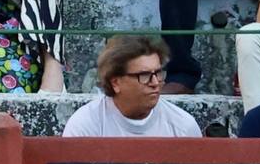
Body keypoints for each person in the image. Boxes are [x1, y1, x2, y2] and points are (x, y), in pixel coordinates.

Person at [63, 33, 204, 138]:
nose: (155, 83)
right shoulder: (85, 127)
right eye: (144, 75)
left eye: (158, 73)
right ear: (116, 82)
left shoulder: (183, 127)